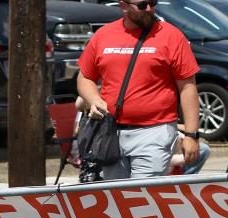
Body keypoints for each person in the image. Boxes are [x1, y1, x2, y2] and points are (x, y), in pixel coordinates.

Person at [77, 0, 201, 179]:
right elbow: (85, 77)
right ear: (123, 5)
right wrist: (94, 99)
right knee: (118, 197)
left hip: (155, 132)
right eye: (143, 5)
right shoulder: (104, 35)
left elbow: (188, 88)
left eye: (153, 3)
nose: (149, 9)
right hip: (111, 132)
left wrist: (191, 135)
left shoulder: (171, 35)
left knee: (142, 195)